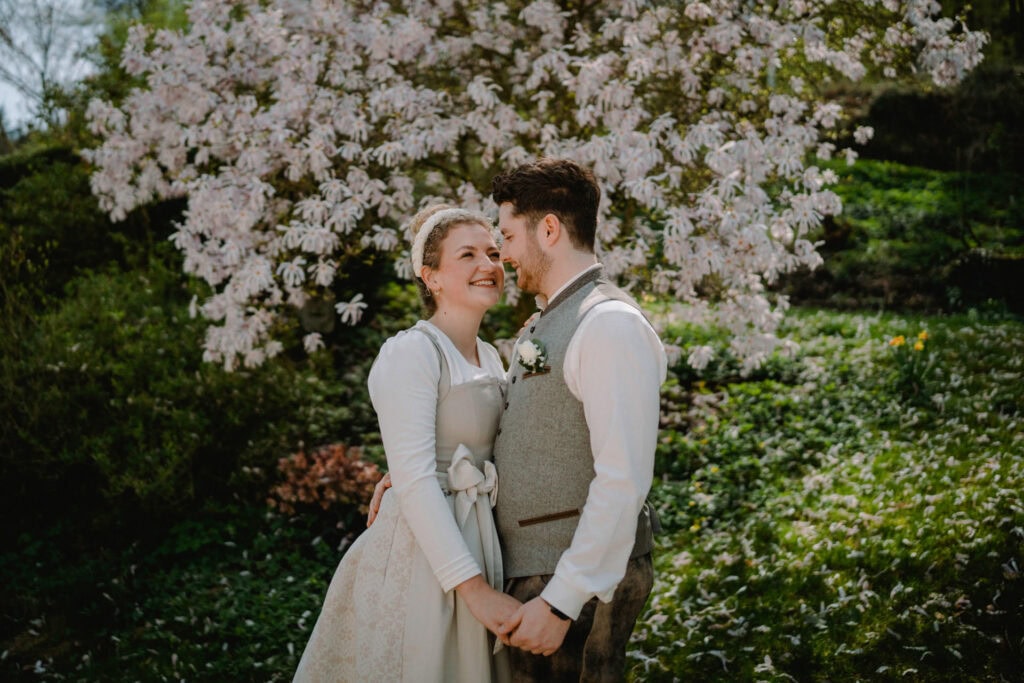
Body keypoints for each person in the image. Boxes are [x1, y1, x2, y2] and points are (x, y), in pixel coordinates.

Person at [372, 158, 668, 682]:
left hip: (566, 580)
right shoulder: (545, 326)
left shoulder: (608, 326)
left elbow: (623, 480)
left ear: (548, 229)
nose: (502, 256)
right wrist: (419, 476)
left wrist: (561, 601)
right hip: (525, 572)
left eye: (504, 237)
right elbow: (520, 435)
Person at [294, 205, 520, 683]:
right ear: (430, 277)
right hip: (427, 557)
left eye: (494, 253)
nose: (489, 265)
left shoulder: (492, 357)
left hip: (484, 538)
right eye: (468, 255)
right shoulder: (412, 352)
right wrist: (475, 591)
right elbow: (419, 483)